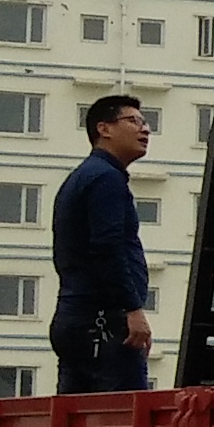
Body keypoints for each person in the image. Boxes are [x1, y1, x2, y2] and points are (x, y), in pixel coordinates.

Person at [49, 94, 153, 393]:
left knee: (77, 424)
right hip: (103, 322)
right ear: (104, 129)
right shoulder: (106, 179)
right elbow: (107, 249)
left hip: (74, 318)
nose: (144, 130)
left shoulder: (83, 177)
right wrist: (132, 309)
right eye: (133, 121)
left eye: (145, 123)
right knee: (124, 423)